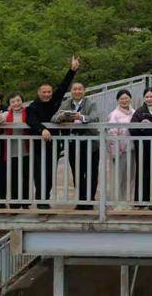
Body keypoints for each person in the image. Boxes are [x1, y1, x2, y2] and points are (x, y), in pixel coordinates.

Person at [26, 56, 79, 208]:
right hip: (37, 145)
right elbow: (31, 120)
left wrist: (72, 70)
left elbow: (63, 86)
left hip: (53, 145)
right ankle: (41, 201)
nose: (47, 94)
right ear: (39, 93)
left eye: (49, 92)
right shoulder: (32, 107)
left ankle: (46, 199)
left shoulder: (55, 101)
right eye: (44, 92)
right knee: (39, 174)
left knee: (50, 173)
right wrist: (42, 129)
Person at [51, 82, 99, 210]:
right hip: (73, 144)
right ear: (71, 91)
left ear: (84, 91)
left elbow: (94, 117)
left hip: (91, 143)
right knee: (77, 172)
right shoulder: (66, 103)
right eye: (74, 89)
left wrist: (81, 117)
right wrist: (61, 117)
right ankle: (81, 200)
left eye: (80, 89)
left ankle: (90, 200)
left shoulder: (91, 103)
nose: (77, 91)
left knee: (91, 172)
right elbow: (53, 118)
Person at [0, 93, 31, 208]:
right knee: (14, 178)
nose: (16, 103)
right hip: (11, 151)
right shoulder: (6, 114)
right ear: (9, 104)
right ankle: (15, 203)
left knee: (26, 177)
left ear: (22, 102)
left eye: (18, 100)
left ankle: (25, 202)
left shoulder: (28, 113)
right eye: (13, 102)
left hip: (26, 150)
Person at [130, 87, 152, 205]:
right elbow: (132, 129)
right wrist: (141, 127)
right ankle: (141, 201)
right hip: (144, 147)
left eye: (151, 96)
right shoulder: (139, 111)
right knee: (143, 172)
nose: (149, 99)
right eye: (147, 97)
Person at [107, 89, 136, 209]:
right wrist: (115, 153)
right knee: (118, 177)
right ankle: (117, 202)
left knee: (130, 177)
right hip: (120, 151)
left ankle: (126, 201)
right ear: (118, 100)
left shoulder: (134, 112)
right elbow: (112, 135)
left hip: (132, 150)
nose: (124, 101)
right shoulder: (114, 115)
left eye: (126, 98)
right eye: (121, 99)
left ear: (130, 99)